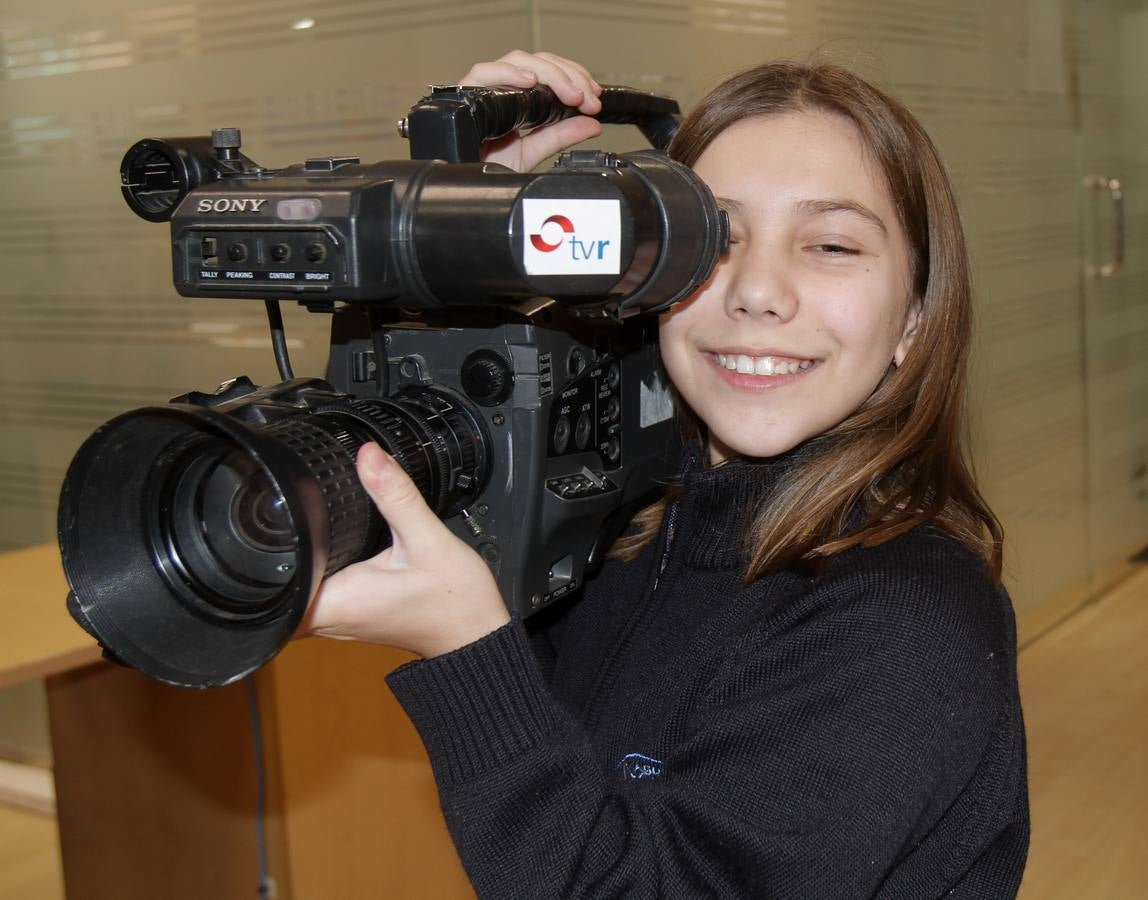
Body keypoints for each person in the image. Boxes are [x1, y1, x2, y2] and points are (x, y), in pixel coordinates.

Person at [304, 50, 1030, 898]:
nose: (760, 292)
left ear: (914, 314)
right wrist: (477, 231)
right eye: (713, 236)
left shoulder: (906, 617)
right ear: (642, 277)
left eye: (831, 244)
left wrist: (467, 654)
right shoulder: (632, 525)